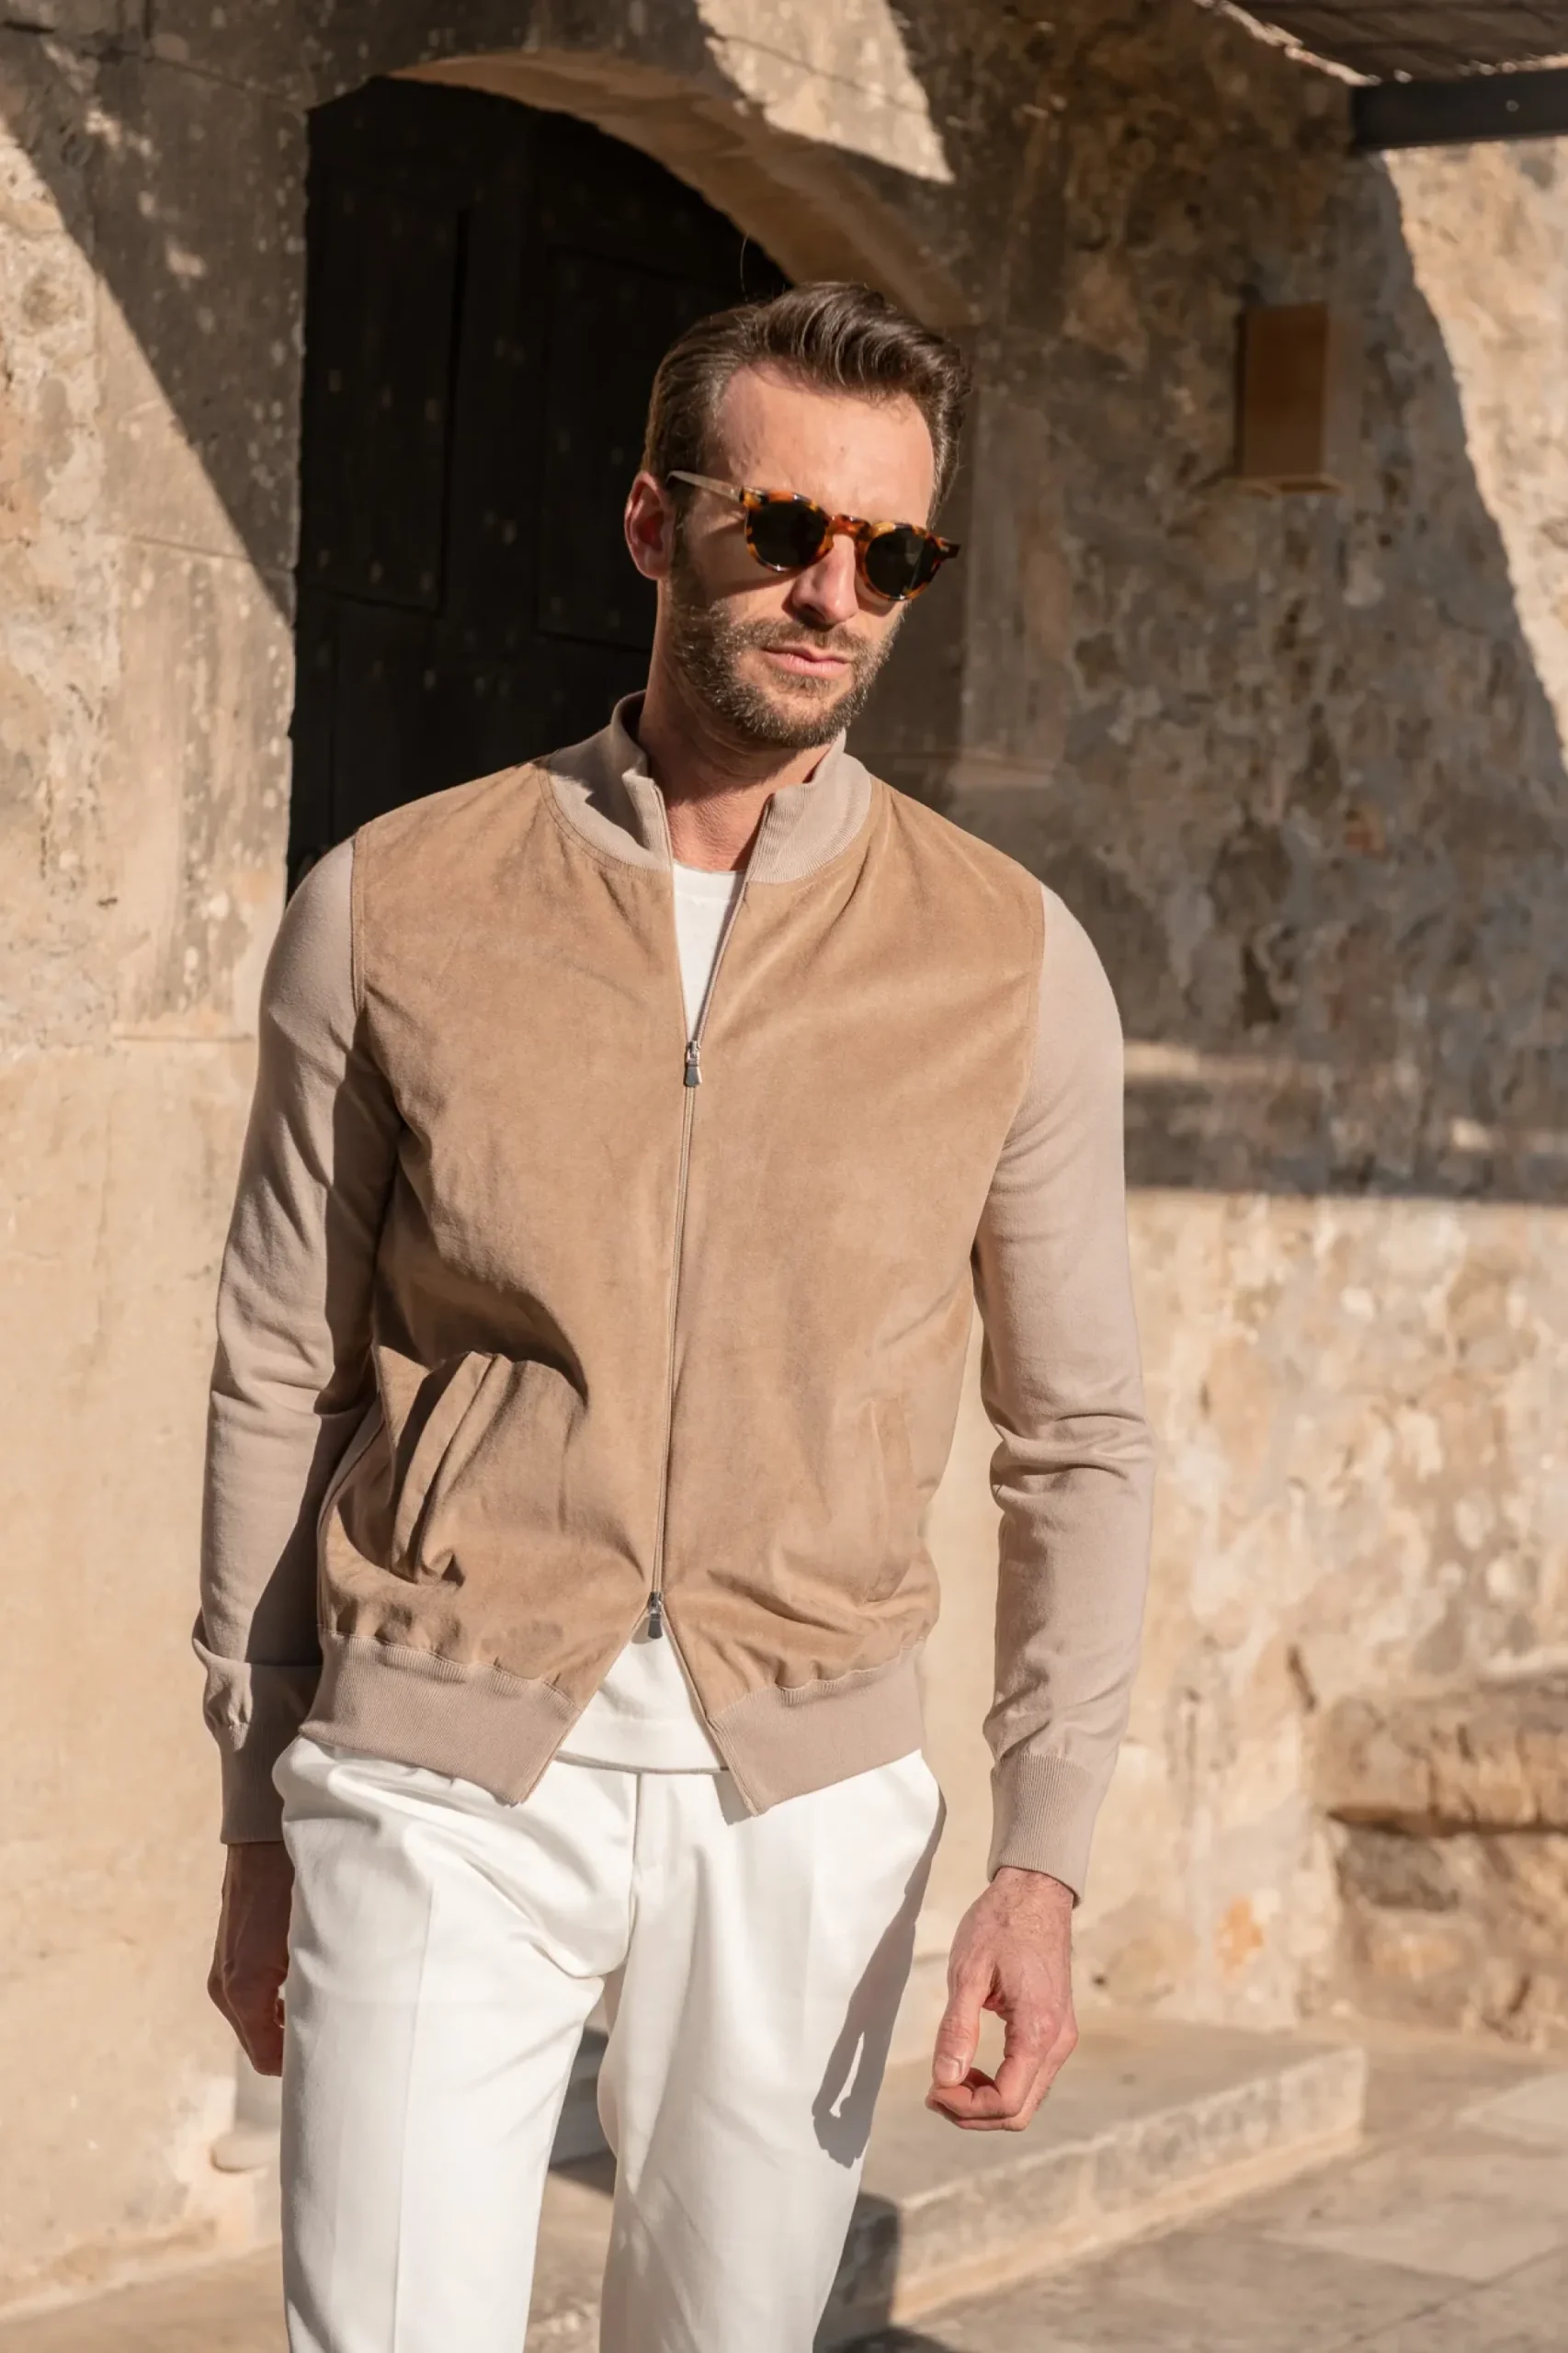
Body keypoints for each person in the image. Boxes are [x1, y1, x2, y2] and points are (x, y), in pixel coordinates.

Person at [198, 279, 1153, 2353]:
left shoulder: (1006, 957)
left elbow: (1078, 1435)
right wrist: (257, 1807)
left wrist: (1043, 1857)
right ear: (653, 524)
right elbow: (280, 1363)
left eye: (891, 555)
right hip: (437, 1759)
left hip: (807, 1790)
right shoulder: (393, 899)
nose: (834, 594)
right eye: (784, 528)